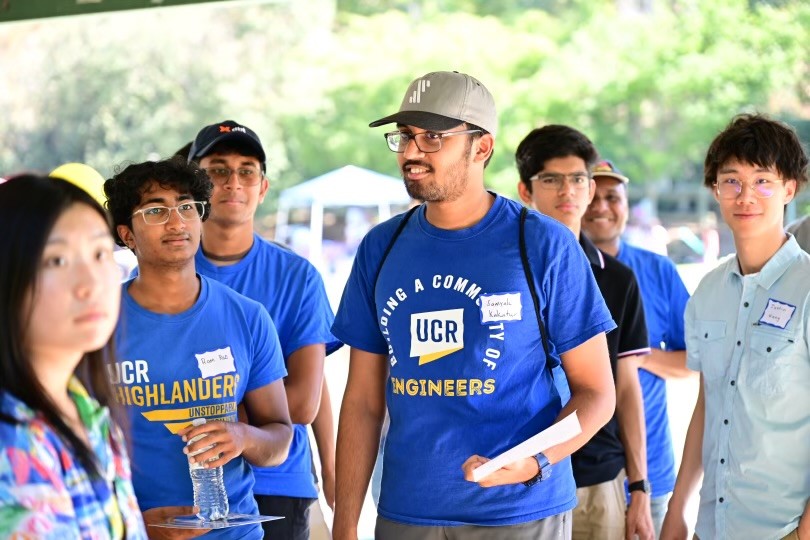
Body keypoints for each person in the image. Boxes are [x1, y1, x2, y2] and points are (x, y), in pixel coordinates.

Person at [331, 70, 617, 540]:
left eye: (433, 137)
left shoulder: (542, 243)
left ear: (481, 147)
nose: (410, 153)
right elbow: (362, 401)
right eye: (405, 136)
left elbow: (596, 393)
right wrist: (345, 525)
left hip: (521, 512)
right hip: (406, 511)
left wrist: (535, 461)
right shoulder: (380, 247)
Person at [103, 158, 293, 540]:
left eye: (187, 207)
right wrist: (134, 525)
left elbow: (280, 438)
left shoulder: (248, 317)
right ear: (127, 235)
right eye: (156, 211)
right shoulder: (98, 322)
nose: (176, 222)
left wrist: (243, 437)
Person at [187, 120, 341, 539]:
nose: (233, 182)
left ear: (263, 187)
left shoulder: (297, 277)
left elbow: (306, 400)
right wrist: (257, 411)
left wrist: (331, 467)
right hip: (186, 482)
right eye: (218, 170)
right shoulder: (165, 274)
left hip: (277, 482)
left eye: (247, 171)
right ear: (194, 185)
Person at [661, 114, 810, 540]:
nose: (746, 196)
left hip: (784, 529)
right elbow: (708, 405)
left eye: (763, 181)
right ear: (715, 188)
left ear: (789, 188)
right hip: (712, 527)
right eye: (732, 181)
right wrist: (677, 510)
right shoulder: (707, 291)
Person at [515, 126, 653, 540]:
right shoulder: (505, 273)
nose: (567, 191)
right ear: (525, 191)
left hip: (597, 478)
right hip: (520, 476)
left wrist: (639, 486)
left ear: (590, 188)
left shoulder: (619, 280)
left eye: (577, 179)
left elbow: (626, 388)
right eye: (551, 179)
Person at [0, 175, 147, 538]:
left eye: (100, 254)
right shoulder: (12, 439)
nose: (90, 283)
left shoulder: (88, 412)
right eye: (58, 260)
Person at [581, 158, 693, 536]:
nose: (601, 206)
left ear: (627, 206)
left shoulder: (657, 270)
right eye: (592, 196)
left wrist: (634, 355)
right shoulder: (559, 270)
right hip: (582, 473)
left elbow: (696, 360)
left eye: (612, 197)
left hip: (652, 471)